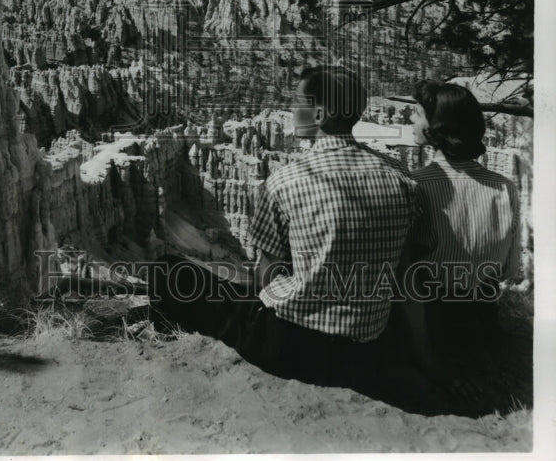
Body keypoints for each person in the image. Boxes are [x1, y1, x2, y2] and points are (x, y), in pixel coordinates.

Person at [149, 65, 418, 386]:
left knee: (168, 271)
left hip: (293, 348)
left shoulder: (288, 180)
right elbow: (403, 259)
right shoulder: (400, 175)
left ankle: (164, 351)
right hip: (368, 345)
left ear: (319, 114)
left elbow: (265, 278)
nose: (291, 110)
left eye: (297, 101)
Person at [404, 79, 521, 356]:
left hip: (432, 321)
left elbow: (402, 272)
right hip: (484, 321)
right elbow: (509, 270)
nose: (411, 117)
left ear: (437, 128)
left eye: (418, 113)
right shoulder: (505, 187)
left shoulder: (414, 184)